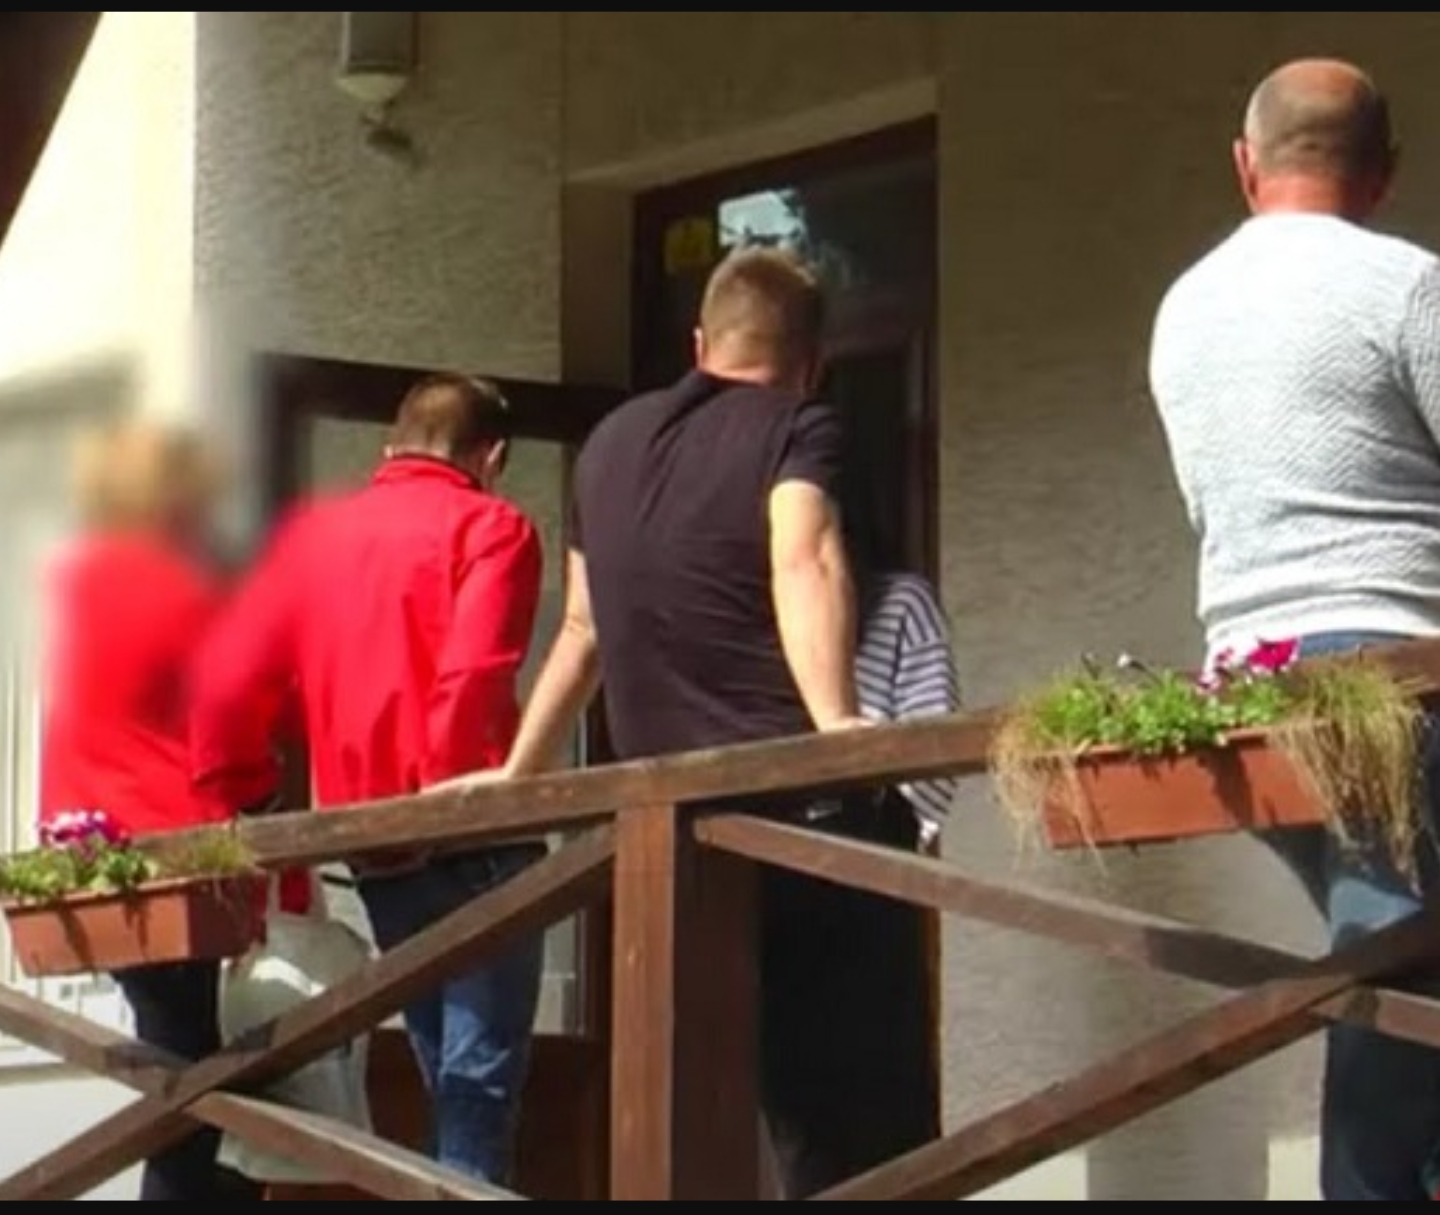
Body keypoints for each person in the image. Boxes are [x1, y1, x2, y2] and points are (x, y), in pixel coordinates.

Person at [481, 246, 927, 1197]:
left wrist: (522, 767)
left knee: (701, 1116)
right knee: (861, 1128)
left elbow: (582, 628)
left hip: (668, 852)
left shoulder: (608, 444)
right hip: (799, 826)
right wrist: (837, 724)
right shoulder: (801, 424)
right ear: (813, 360)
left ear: (700, 343)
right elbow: (803, 554)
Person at [1148, 58, 1440, 1201]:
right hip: (1398, 665)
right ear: (1385, 173)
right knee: (1396, 946)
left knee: (1399, 941)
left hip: (1246, 679)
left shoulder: (1184, 308)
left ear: (1245, 164)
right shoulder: (1408, 286)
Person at [190, 374, 546, 1186]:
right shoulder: (492, 526)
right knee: (478, 1080)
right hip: (468, 829)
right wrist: (441, 801)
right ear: (492, 456)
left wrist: (246, 792)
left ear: (391, 445)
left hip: (371, 840)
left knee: (445, 1068)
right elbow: (474, 677)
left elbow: (225, 685)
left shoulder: (313, 537)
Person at [39, 419, 280, 1202]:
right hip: (176, 856)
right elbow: (225, 728)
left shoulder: (80, 586)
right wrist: (267, 787)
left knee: (179, 1060)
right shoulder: (182, 589)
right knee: (195, 1078)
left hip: (93, 856)